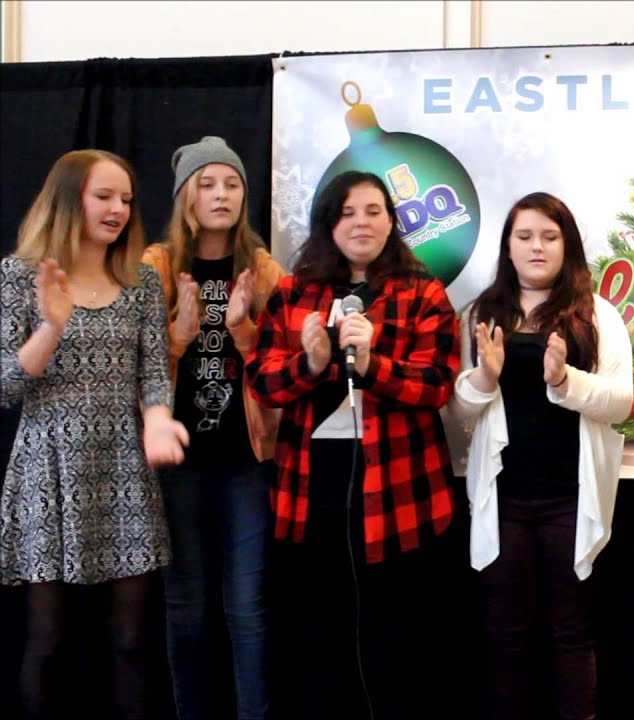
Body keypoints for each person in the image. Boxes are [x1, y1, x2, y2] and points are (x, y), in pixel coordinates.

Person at [245, 171, 462, 719]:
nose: (361, 223)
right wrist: (313, 362)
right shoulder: (294, 291)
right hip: (311, 487)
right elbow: (264, 384)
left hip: (400, 493)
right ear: (327, 224)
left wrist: (371, 364)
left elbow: (438, 384)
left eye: (372, 210)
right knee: (321, 636)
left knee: (396, 640)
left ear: (391, 221)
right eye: (347, 212)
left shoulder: (423, 292)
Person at [0, 149, 189, 719]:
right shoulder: (19, 275)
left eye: (126, 199)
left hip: (124, 472)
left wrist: (159, 420)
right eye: (103, 196)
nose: (118, 210)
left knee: (131, 640)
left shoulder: (140, 284)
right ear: (68, 199)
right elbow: (6, 387)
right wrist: (51, 326)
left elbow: (154, 375)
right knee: (50, 639)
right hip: (48, 470)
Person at [448, 191, 632, 720]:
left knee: (572, 632)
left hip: (570, 499)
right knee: (505, 634)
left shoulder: (597, 313)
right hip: (503, 498)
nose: (536, 247)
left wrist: (564, 379)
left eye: (549, 237)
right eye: (524, 236)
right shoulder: (483, 313)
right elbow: (459, 414)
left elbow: (620, 401)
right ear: (507, 246)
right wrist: (484, 377)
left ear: (567, 246)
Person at [141, 136, 284, 720]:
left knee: (247, 608)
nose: (220, 194)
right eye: (207, 184)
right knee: (186, 604)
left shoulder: (264, 268)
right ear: (185, 197)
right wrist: (181, 331)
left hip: (247, 460)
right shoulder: (156, 265)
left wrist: (244, 329)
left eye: (230, 184)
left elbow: (284, 370)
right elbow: (140, 366)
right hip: (180, 462)